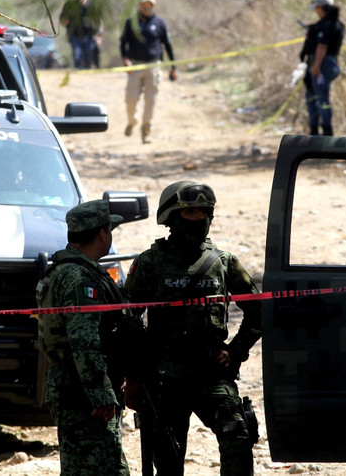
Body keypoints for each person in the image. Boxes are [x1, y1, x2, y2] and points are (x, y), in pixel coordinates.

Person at [124, 181, 263, 475]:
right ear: (172, 218)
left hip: (209, 372)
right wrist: (134, 378)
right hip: (164, 376)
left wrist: (235, 351)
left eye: (204, 212)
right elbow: (127, 322)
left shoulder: (223, 263)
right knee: (168, 459)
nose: (199, 218)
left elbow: (259, 311)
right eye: (191, 212)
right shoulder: (150, 263)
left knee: (237, 435)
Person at [35, 200, 130, 476]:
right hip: (82, 392)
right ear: (103, 233)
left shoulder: (66, 269)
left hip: (73, 385)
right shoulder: (80, 278)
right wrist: (100, 393)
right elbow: (83, 339)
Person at [119, 0, 178, 144]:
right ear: (140, 5)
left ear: (153, 6)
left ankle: (146, 129)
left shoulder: (159, 23)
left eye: (149, 5)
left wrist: (173, 67)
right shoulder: (131, 23)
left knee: (150, 100)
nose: (146, 7)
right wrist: (125, 59)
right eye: (144, 4)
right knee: (131, 99)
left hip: (154, 66)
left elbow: (168, 45)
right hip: (136, 66)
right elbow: (123, 42)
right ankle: (132, 122)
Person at [300, 0, 346, 136]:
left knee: (321, 99)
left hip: (323, 64)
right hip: (328, 64)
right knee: (314, 96)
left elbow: (322, 47)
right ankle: (315, 131)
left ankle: (326, 132)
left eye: (317, 7)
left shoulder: (327, 25)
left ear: (322, 7)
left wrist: (316, 66)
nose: (316, 10)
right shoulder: (334, 24)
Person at [59, 0, 101, 69]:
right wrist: (66, 21)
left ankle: (87, 73)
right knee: (77, 55)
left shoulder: (91, 4)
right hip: (74, 35)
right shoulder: (69, 5)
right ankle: (79, 73)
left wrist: (98, 35)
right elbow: (62, 19)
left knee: (89, 56)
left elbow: (98, 20)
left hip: (89, 35)